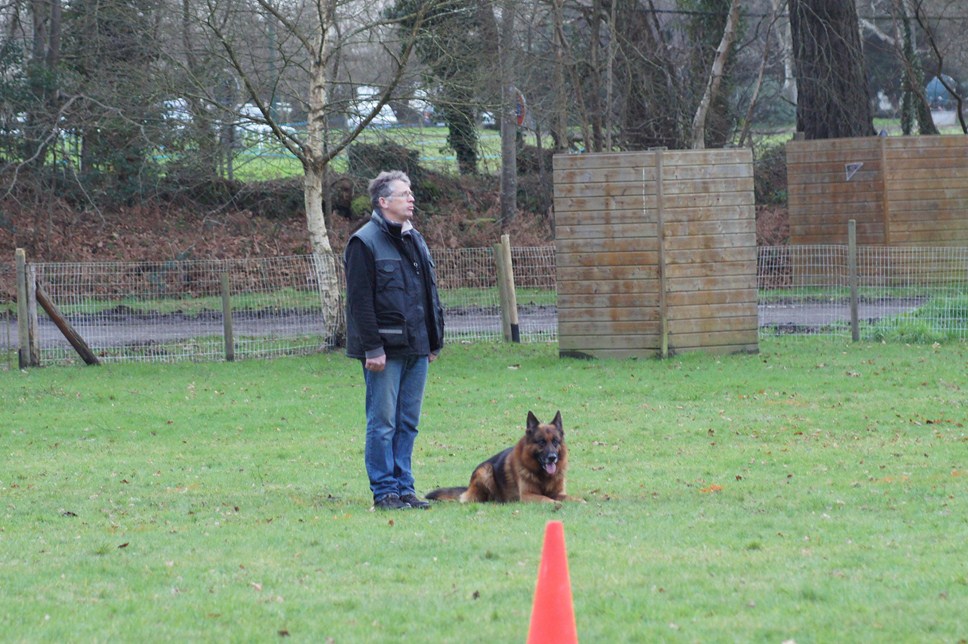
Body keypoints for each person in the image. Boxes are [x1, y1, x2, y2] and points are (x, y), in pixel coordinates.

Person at [344, 170, 445, 510]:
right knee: (383, 423)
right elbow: (360, 302)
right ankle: (384, 491)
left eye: (411, 192)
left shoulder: (414, 237)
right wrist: (373, 347)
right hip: (384, 351)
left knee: (407, 423)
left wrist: (433, 341)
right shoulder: (364, 242)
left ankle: (405, 488)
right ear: (384, 202)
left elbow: (426, 293)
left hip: (417, 348)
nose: (411, 198)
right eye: (404, 193)